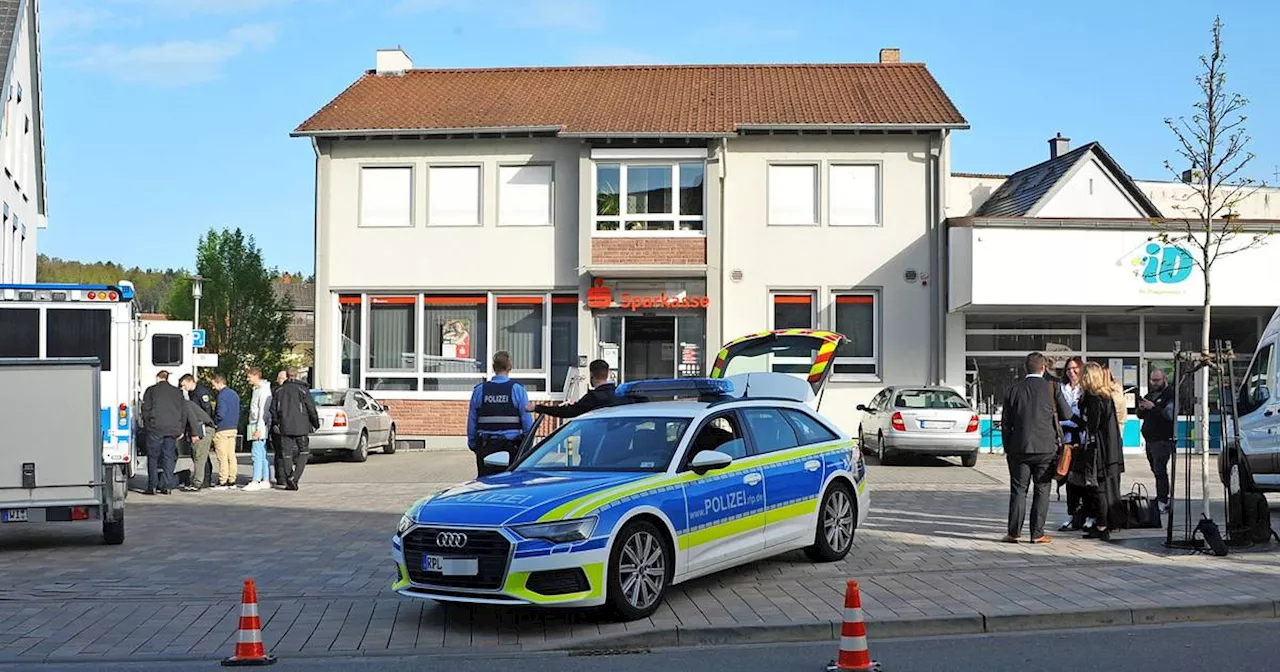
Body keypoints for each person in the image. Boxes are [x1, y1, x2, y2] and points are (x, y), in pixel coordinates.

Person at [1000, 352, 1073, 544]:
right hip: (1046, 448)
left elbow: (1005, 423)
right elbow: (1067, 414)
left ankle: (1013, 533)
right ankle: (1037, 533)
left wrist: (1008, 447)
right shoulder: (1052, 387)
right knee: (1042, 489)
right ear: (1043, 368)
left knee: (1018, 490)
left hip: (1019, 448)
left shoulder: (1013, 390)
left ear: (1026, 368)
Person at [1074, 362, 1126, 541]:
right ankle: (1102, 523)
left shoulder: (1095, 399)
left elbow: (1093, 425)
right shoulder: (1105, 396)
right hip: (1107, 448)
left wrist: (1079, 415)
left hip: (1099, 450)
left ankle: (1102, 525)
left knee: (1099, 489)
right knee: (1099, 488)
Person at [468, 351, 533, 477]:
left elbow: (472, 421)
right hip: (512, 447)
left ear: (493, 367)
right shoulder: (517, 389)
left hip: (486, 446)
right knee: (511, 484)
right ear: (510, 367)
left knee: (486, 485)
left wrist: (473, 444)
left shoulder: (480, 390)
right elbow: (526, 421)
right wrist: (527, 445)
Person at [1137, 367, 1176, 513]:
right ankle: (1161, 496)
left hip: (1163, 438)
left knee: (1160, 470)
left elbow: (1169, 414)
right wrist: (1141, 408)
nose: (1154, 383)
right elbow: (1141, 415)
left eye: (1157, 380)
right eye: (1152, 380)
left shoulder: (1169, 394)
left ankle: (1163, 500)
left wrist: (1153, 407)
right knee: (1155, 469)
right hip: (1150, 439)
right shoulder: (1151, 394)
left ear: (1164, 379)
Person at [272, 368, 319, 491]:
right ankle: (294, 477)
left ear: (287, 376)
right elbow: (311, 408)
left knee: (286, 454)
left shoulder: (279, 390)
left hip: (285, 426)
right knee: (303, 452)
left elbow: (273, 409)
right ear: (297, 375)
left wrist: (276, 423)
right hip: (301, 426)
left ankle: (290, 479)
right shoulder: (303, 389)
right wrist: (315, 423)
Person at [141, 371, 186, 495]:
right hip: (172, 429)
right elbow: (183, 411)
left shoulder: (151, 390)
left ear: (158, 378)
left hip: (156, 428)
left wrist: (148, 425)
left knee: (153, 457)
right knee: (168, 457)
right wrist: (181, 428)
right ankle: (167, 486)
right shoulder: (177, 392)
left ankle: (152, 486)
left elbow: (145, 409)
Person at [527, 359, 619, 418]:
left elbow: (568, 412)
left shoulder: (593, 398)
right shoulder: (619, 394)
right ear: (608, 373)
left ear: (591, 374)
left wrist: (537, 408)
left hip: (595, 443)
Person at [1057, 357, 1088, 531]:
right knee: (1068, 478)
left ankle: (1087, 514)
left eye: (1075, 368)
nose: (1072, 372)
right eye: (1068, 369)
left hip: (1083, 439)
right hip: (1067, 441)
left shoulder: (1086, 389)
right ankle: (1071, 514)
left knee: (1084, 480)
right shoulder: (1062, 389)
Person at [178, 375, 216, 492]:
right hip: (198, 427)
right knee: (199, 454)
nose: (183, 388)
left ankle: (200, 482)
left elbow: (198, 415)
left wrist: (195, 433)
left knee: (200, 455)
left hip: (202, 426)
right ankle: (200, 480)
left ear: (190, 382)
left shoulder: (200, 392)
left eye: (184, 385)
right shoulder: (189, 396)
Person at [244, 368, 273, 492]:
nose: (248, 379)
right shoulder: (258, 389)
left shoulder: (263, 390)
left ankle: (256, 480)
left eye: (249, 377)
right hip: (255, 423)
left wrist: (259, 429)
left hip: (258, 424)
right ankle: (265, 479)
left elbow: (263, 411)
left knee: (256, 453)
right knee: (261, 452)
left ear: (256, 376)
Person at [210, 374, 241, 491]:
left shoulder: (221, 395)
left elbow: (221, 413)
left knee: (222, 456)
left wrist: (215, 422)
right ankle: (232, 480)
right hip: (233, 428)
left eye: (214, 385)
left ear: (219, 383)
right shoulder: (234, 394)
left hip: (222, 428)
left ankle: (222, 480)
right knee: (231, 455)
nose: (213, 387)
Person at [270, 370, 286, 486]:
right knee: (280, 452)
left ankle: (283, 475)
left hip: (285, 425)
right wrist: (276, 423)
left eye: (282, 378)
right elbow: (272, 409)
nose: (280, 380)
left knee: (284, 452)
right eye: (279, 378)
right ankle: (281, 476)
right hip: (278, 426)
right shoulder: (275, 391)